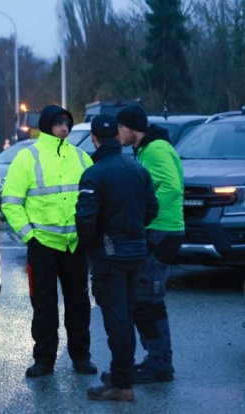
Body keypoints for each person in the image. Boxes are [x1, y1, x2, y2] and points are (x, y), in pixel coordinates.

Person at [0, 105, 97, 378]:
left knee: (79, 306)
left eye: (67, 123)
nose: (64, 128)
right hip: (43, 244)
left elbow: (93, 196)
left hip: (74, 245)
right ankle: (44, 360)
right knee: (44, 307)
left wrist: (86, 232)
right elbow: (11, 202)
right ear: (46, 126)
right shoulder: (27, 157)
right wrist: (30, 236)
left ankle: (81, 358)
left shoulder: (79, 157)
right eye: (58, 124)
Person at [76, 115, 159, 402]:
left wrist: (91, 246)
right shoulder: (137, 169)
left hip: (109, 258)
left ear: (95, 138)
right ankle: (121, 376)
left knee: (117, 321)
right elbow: (152, 209)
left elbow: (85, 220)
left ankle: (122, 384)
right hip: (135, 253)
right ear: (116, 138)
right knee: (127, 316)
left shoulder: (94, 174)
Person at [116, 104, 183, 383]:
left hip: (161, 231)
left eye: (121, 128)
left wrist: (145, 214)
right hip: (158, 230)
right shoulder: (146, 149)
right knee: (146, 299)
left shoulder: (155, 150)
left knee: (149, 300)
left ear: (132, 128)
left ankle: (159, 363)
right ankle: (155, 359)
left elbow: (171, 187)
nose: (118, 133)